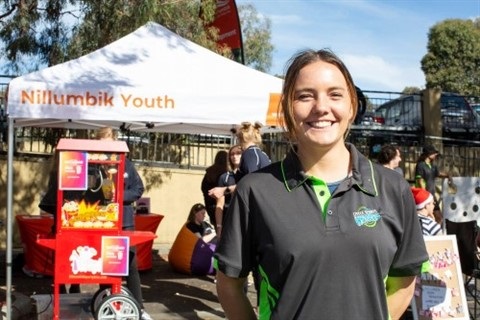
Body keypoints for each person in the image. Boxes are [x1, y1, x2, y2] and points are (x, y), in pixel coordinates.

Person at [214, 49, 429, 320]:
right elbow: (229, 284)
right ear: (288, 109)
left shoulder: (393, 188)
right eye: (305, 96)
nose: (321, 107)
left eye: (335, 94)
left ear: (352, 106)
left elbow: (403, 282)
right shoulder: (255, 191)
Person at [96, 127, 152, 320]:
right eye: (102, 145)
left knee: (130, 264)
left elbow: (138, 189)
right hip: (103, 222)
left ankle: (140, 307)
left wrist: (119, 196)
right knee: (107, 264)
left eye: (109, 144)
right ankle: (105, 301)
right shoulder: (95, 165)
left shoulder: (126, 163)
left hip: (125, 221)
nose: (106, 149)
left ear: (115, 143)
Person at [208, 122, 271, 200]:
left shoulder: (249, 154)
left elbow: (250, 184)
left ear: (242, 138)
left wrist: (223, 190)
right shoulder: (264, 155)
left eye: (238, 138)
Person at [415, 144, 451, 224]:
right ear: (428, 154)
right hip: (424, 197)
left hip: (431, 196)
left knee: (439, 218)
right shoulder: (420, 165)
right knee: (429, 218)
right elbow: (420, 180)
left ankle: (432, 234)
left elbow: (438, 174)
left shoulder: (433, 166)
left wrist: (447, 175)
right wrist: (425, 196)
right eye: (434, 153)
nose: (435, 154)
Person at [215, 145, 242, 238]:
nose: (235, 156)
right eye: (232, 154)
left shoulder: (248, 175)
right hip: (229, 221)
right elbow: (219, 204)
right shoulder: (224, 177)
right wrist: (219, 227)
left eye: (238, 153)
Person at [201, 150, 228, 226]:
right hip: (224, 209)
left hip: (210, 207)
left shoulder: (208, 173)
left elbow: (203, 189)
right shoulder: (225, 175)